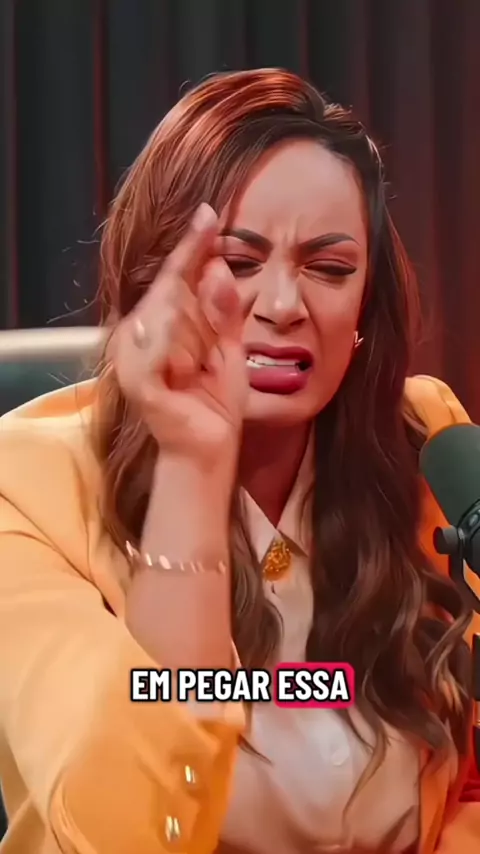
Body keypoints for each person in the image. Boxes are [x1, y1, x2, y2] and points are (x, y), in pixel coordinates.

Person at [0, 68, 479, 854]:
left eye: (331, 269)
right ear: (153, 281)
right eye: (237, 262)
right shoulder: (25, 488)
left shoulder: (426, 439)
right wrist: (192, 467)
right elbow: (123, 835)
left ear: (366, 305)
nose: (284, 306)